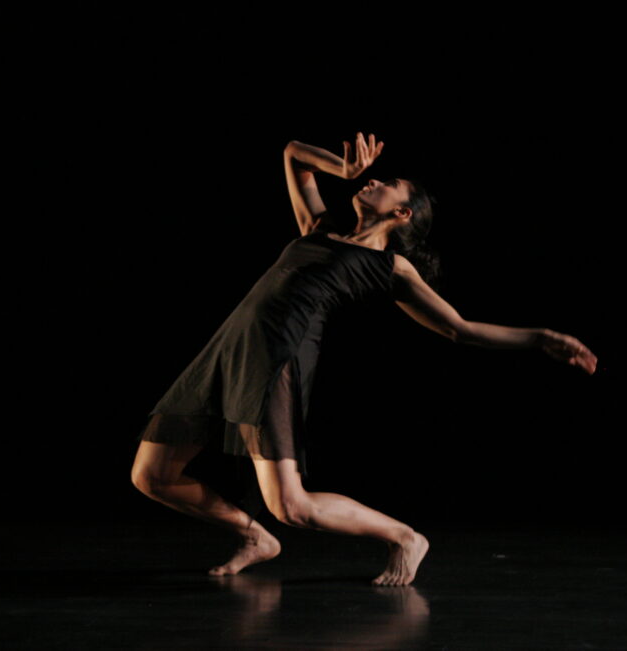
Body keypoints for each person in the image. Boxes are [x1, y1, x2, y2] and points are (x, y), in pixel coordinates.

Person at [131, 133, 598, 586]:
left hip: (276, 360)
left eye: (385, 183)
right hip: (224, 352)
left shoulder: (390, 268)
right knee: (151, 475)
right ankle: (254, 537)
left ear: (402, 212)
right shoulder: (319, 229)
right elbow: (295, 154)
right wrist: (343, 167)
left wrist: (540, 338)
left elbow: (460, 328)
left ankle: (405, 537)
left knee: (291, 506)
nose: (371, 181)